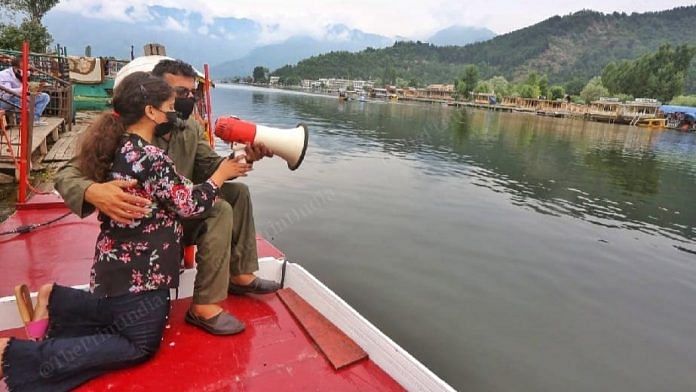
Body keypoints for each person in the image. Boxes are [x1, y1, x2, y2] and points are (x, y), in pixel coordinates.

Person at [0, 71, 249, 391]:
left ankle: (58, 301)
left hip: (113, 265)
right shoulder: (151, 156)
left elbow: (185, 178)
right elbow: (187, 204)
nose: (176, 109)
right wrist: (221, 175)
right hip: (145, 269)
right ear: (150, 111)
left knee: (113, 313)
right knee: (139, 344)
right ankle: (14, 354)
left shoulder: (111, 145)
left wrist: (225, 166)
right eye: (171, 103)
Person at [55, 59, 278, 335]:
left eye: (191, 93)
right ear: (155, 97)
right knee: (219, 210)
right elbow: (67, 173)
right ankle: (205, 306)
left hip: (181, 208)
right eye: (179, 94)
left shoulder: (190, 128)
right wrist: (92, 191)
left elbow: (211, 167)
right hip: (152, 224)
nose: (186, 100)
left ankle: (240, 274)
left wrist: (242, 158)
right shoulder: (124, 132)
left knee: (238, 193)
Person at [0, 57, 51, 126]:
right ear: (17, 67)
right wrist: (24, 90)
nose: (26, 72)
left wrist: (32, 92)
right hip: (4, 101)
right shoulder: (4, 75)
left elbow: (24, 89)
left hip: (18, 97)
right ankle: (22, 120)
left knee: (44, 97)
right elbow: (7, 94)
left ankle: (34, 119)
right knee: (22, 99)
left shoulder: (21, 73)